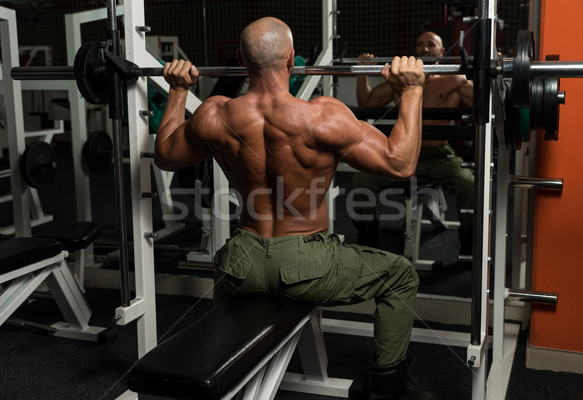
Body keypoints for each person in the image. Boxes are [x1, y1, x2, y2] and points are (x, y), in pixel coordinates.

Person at [155, 17, 435, 400]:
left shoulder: (214, 113)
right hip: (309, 265)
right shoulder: (322, 116)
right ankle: (388, 389)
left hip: (241, 262)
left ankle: (232, 376)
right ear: (291, 61)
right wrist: (413, 90)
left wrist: (177, 90)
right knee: (400, 276)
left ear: (240, 60)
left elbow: (166, 156)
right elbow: (400, 163)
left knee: (232, 290)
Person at [353, 31, 474, 256]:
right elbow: (367, 101)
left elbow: (486, 103)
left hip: (439, 156)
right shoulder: (401, 82)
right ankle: (367, 240)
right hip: (401, 153)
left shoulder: (454, 82)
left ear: (441, 51)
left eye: (430, 45)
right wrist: (363, 70)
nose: (424, 49)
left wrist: (487, 71)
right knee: (361, 181)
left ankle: (468, 247)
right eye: (419, 45)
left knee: (469, 185)